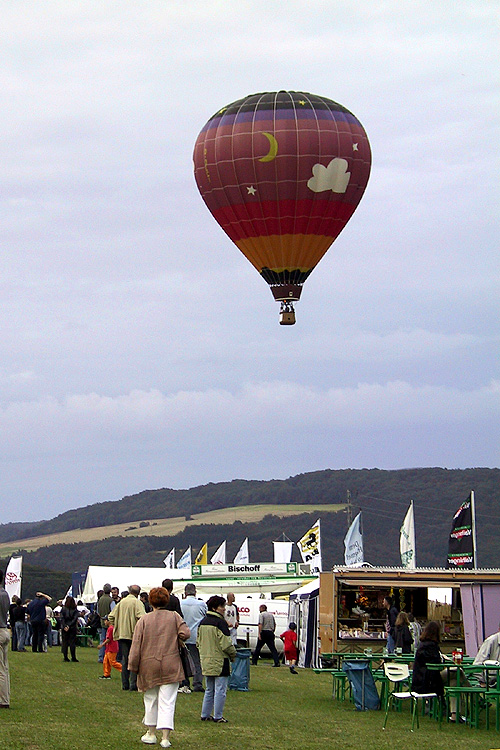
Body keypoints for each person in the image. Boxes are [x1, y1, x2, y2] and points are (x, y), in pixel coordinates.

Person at [128, 586, 190, 747]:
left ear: (150, 602)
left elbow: (135, 646)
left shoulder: (144, 620)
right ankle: (165, 738)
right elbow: (186, 633)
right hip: (171, 664)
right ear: (167, 600)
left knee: (150, 699)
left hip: (148, 665)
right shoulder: (174, 616)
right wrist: (177, 637)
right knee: (168, 701)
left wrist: (133, 666)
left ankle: (151, 733)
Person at [411, 620, 466, 722]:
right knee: (458, 671)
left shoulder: (423, 645)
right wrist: (443, 659)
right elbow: (437, 664)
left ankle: (454, 714)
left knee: (454, 682)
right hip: (429, 680)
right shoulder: (431, 646)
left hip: (422, 679)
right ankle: (475, 697)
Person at [197, 595, 236, 723]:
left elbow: (198, 642)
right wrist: (233, 655)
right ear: (215, 608)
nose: (224, 609)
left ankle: (205, 714)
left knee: (209, 689)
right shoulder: (220, 623)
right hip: (220, 661)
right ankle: (218, 716)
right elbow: (226, 644)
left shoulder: (202, 622)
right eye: (222, 606)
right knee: (220, 690)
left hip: (206, 660)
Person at [108, 584, 145, 691]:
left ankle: (125, 684)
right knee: (134, 659)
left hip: (122, 634)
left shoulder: (121, 602)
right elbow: (142, 618)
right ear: (138, 593)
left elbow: (111, 616)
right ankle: (133, 684)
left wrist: (117, 626)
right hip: (134, 635)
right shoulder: (137, 603)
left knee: (125, 659)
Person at [180, 583, 207, 693]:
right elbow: (205, 617)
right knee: (197, 661)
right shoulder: (201, 604)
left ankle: (185, 682)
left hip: (183, 636)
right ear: (195, 592)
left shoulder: (181, 603)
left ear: (185, 592)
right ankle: (197, 683)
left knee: (183, 660)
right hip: (197, 636)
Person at [0, 569, 10, 709]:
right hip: (4, 630)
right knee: (4, 668)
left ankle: (3, 700)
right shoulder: (5, 594)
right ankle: (5, 698)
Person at [97, 584, 113, 663]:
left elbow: (98, 611)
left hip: (102, 621)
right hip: (109, 622)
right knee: (110, 640)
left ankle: (101, 657)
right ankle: (109, 657)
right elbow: (113, 611)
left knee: (102, 639)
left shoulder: (100, 600)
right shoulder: (111, 600)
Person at [60, 596, 79, 662]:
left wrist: (65, 626)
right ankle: (73, 657)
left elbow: (62, 618)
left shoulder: (63, 609)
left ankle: (65, 657)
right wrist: (69, 625)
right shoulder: (75, 610)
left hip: (64, 628)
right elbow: (75, 619)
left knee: (65, 642)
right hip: (72, 627)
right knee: (72, 642)